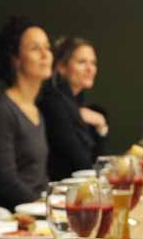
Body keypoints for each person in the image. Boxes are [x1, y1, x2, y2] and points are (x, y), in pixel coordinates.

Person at [0, 16, 52, 209]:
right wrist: (45, 207)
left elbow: (39, 177)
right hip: (16, 216)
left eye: (47, 47)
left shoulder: (36, 110)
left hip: (39, 210)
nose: (45, 54)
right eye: (35, 48)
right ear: (16, 59)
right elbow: (5, 181)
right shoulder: (1, 110)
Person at [40, 36, 109, 181]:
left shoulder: (77, 103)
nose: (90, 69)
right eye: (82, 62)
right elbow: (82, 165)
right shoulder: (54, 103)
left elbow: (96, 162)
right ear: (61, 67)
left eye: (93, 63)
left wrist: (101, 127)